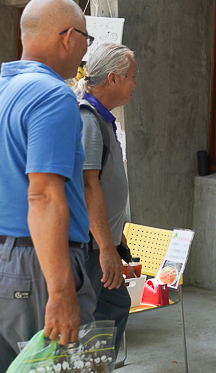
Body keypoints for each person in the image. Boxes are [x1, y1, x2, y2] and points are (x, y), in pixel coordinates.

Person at [0, 0, 96, 372]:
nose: (84, 51)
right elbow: (43, 195)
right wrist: (61, 291)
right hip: (29, 267)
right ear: (67, 37)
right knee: (59, 364)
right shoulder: (53, 96)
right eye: (86, 39)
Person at [72, 43, 137, 360]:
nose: (134, 84)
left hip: (102, 242)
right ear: (113, 78)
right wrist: (106, 247)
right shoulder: (89, 120)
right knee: (95, 316)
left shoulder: (100, 118)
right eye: (131, 76)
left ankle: (95, 366)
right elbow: (88, 186)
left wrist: (116, 231)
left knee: (114, 305)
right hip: (90, 248)